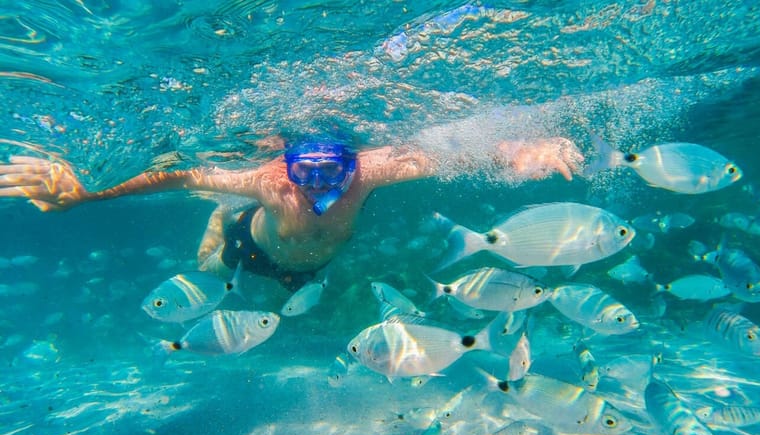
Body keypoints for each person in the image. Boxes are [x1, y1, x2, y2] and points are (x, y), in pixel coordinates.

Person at [0, 136, 583, 289]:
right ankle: (220, 220)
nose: (319, 187)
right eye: (306, 174)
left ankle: (279, 268)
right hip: (249, 249)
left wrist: (517, 149)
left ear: (353, 164)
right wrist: (90, 192)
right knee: (208, 273)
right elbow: (177, 175)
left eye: (335, 173)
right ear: (287, 166)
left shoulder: (371, 171)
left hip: (308, 265)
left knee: (294, 288)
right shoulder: (267, 178)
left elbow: (446, 152)